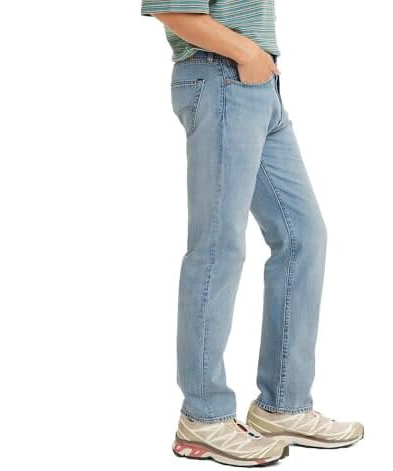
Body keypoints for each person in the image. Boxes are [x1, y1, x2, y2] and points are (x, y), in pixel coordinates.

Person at [141, 0, 364, 466]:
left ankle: (284, 404)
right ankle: (203, 417)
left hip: (259, 85)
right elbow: (171, 9)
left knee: (304, 237)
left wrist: (257, 62)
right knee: (218, 248)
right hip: (220, 75)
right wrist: (247, 54)